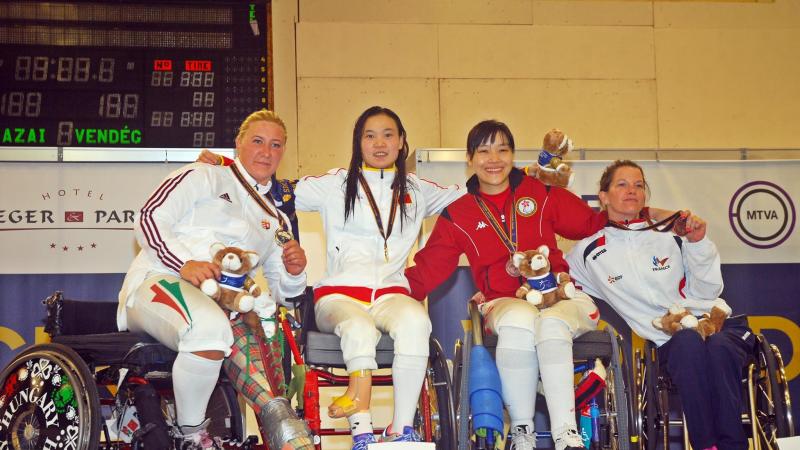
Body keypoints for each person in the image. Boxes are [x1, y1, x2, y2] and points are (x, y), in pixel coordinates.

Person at [200, 105, 464, 450]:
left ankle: (401, 430)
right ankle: (362, 431)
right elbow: (271, 186)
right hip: (338, 297)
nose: (379, 143)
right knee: (359, 328)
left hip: (391, 295)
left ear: (401, 143)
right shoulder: (333, 185)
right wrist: (226, 168)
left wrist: (531, 176)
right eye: (370, 135)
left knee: (417, 320)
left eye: (388, 135)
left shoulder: (418, 188)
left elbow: (472, 194)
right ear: (359, 143)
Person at [405, 120, 608, 450]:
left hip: (556, 294)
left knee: (551, 321)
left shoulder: (541, 194)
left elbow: (591, 223)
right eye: (483, 150)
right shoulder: (459, 214)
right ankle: (522, 433)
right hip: (502, 301)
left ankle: (567, 434)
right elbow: (429, 268)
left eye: (502, 149)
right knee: (519, 319)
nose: (493, 158)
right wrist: (391, 297)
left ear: (513, 154)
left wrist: (635, 214)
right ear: (470, 159)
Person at [118, 110, 314, 450]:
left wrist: (295, 273)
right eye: (257, 141)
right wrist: (184, 263)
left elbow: (285, 291)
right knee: (209, 328)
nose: (266, 152)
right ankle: (191, 437)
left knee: (260, 336)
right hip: (159, 279)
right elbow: (150, 217)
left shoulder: (275, 218)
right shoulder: (203, 175)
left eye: (276, 145)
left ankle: (285, 432)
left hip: (225, 303)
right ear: (238, 144)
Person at [566, 160, 754, 450]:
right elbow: (557, 281)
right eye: (622, 184)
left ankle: (733, 445)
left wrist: (697, 243)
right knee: (688, 343)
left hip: (718, 325)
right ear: (602, 197)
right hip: (670, 341)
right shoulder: (588, 252)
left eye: (639, 185)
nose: (632, 191)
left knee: (717, 350)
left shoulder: (673, 233)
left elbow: (709, 290)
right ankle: (708, 445)